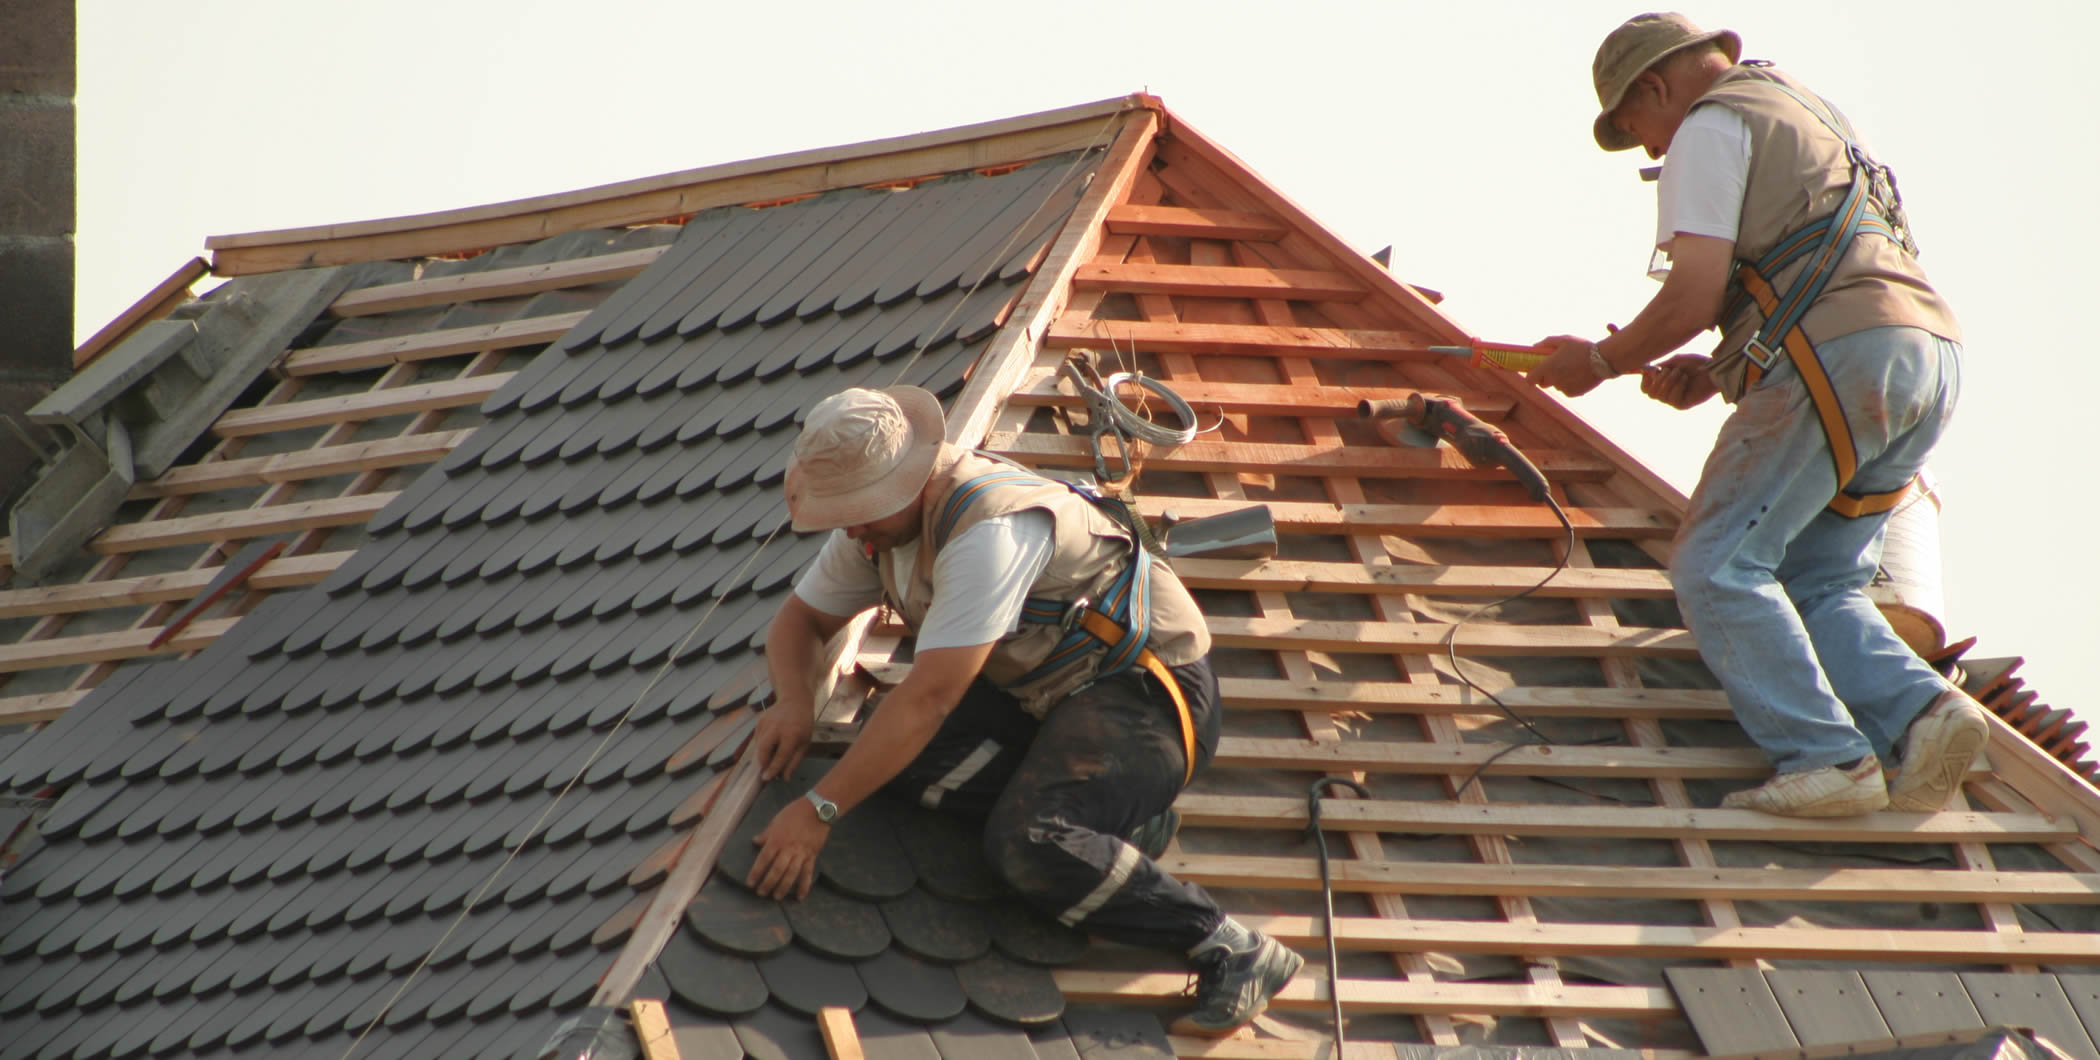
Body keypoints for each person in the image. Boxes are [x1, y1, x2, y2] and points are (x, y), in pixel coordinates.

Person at [1527, 13, 1989, 817]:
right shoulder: (1801, 109)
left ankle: (1826, 756)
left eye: (1635, 125)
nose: (1647, 149)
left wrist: (1600, 361)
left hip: (1840, 360)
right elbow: (1806, 263)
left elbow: (1693, 290)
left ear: (1654, 86)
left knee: (1716, 561)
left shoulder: (1708, 126)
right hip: (1921, 356)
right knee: (1819, 577)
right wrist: (1719, 370)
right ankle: (1923, 709)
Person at [744, 385, 1301, 1034]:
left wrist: (820, 810)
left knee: (1029, 842)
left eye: (859, 511)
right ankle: (1115, 824)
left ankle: (1230, 946)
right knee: (887, 761)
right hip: (1036, 691)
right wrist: (792, 701)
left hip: (1146, 693)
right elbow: (800, 622)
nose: (852, 527)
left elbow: (930, 697)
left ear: (907, 482)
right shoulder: (878, 528)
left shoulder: (990, 532)